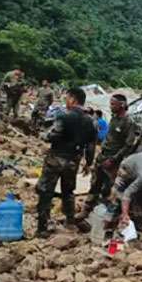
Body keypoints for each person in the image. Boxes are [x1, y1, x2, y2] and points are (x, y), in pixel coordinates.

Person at [36, 87, 98, 238]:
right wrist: (88, 163)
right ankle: (70, 222)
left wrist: (44, 135)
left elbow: (54, 135)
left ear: (73, 99)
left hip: (56, 158)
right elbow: (91, 146)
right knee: (68, 192)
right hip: (73, 161)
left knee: (45, 191)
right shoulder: (91, 122)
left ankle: (42, 228)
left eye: (67, 98)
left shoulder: (63, 116)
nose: (66, 101)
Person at [77, 95, 138, 219]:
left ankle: (105, 216)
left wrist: (114, 159)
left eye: (113, 104)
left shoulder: (129, 122)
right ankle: (86, 210)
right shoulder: (114, 118)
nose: (111, 107)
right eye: (110, 104)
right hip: (102, 157)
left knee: (108, 190)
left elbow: (128, 145)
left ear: (121, 105)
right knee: (94, 184)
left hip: (113, 162)